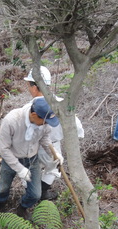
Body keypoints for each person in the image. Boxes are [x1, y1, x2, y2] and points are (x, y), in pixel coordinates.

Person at [0, 97, 64, 220]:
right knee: (3, 188)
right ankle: (1, 205)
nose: (46, 124)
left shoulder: (44, 124)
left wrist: (55, 155)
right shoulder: (12, 120)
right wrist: (19, 169)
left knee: (35, 194)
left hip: (32, 159)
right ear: (33, 115)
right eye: (44, 121)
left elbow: (45, 139)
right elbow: (4, 149)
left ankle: (22, 208)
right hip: (11, 159)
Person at [23, 66, 84, 200]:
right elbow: (77, 126)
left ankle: (33, 196)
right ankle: (41, 194)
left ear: (33, 87)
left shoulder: (28, 108)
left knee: (31, 170)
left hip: (33, 147)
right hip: (52, 146)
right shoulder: (62, 104)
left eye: (28, 85)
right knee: (53, 169)